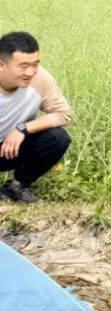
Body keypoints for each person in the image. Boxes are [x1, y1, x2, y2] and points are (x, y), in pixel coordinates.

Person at [0, 32, 72, 204]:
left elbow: (64, 115)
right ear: (2, 65)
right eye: (23, 66)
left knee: (58, 137)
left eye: (35, 64)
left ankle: (16, 187)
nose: (31, 72)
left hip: (11, 149)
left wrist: (23, 129)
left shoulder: (40, 79)